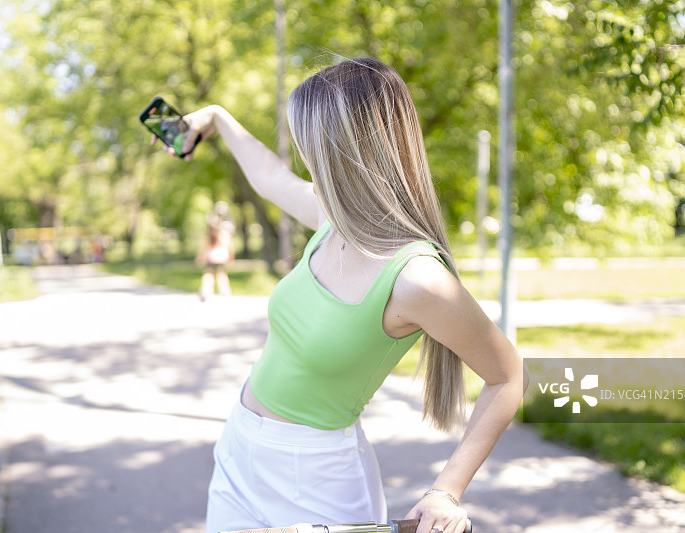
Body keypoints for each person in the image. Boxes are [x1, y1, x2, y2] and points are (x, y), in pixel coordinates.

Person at [153, 57, 527, 533]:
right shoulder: (335, 222)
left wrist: (445, 492)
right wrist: (215, 117)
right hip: (239, 448)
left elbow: (507, 375)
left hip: (316, 478)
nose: (304, 158)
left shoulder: (415, 277)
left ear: (341, 153)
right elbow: (269, 177)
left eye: (308, 145)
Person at [195, 216, 234, 300]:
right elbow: (230, 247)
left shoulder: (209, 236)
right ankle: (224, 290)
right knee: (221, 274)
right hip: (221, 258)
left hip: (212, 258)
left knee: (209, 274)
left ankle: (206, 289)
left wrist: (200, 257)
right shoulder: (224, 234)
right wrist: (231, 258)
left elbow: (203, 248)